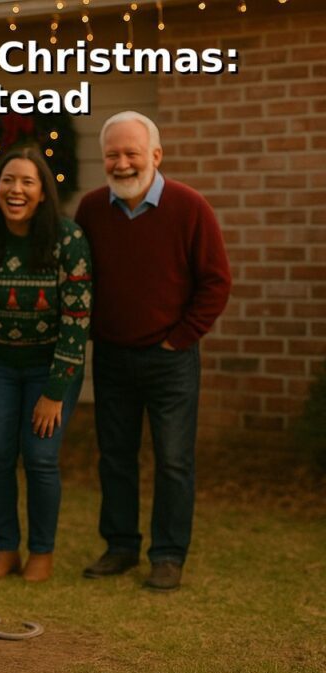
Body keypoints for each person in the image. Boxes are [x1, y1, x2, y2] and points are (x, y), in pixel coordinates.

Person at [75, 111, 231, 591]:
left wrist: (178, 338)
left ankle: (167, 555)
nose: (122, 163)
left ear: (156, 156)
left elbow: (216, 283)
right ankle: (121, 546)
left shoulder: (190, 207)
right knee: (115, 457)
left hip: (171, 359)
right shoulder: (92, 209)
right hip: (113, 357)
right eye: (113, 155)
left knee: (174, 460)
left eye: (132, 153)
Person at [0, 147, 92, 583]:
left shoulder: (67, 240)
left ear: (42, 192)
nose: (16, 190)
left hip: (50, 366)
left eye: (27, 182)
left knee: (40, 458)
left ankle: (42, 552)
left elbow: (77, 319)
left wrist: (54, 392)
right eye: (8, 180)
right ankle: (5, 549)